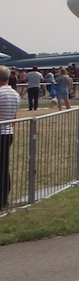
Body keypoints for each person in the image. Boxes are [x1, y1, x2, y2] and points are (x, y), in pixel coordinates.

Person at [0, 66, 18, 208]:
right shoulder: (14, 93)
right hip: (8, 131)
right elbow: (14, 116)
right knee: (4, 166)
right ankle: (4, 197)